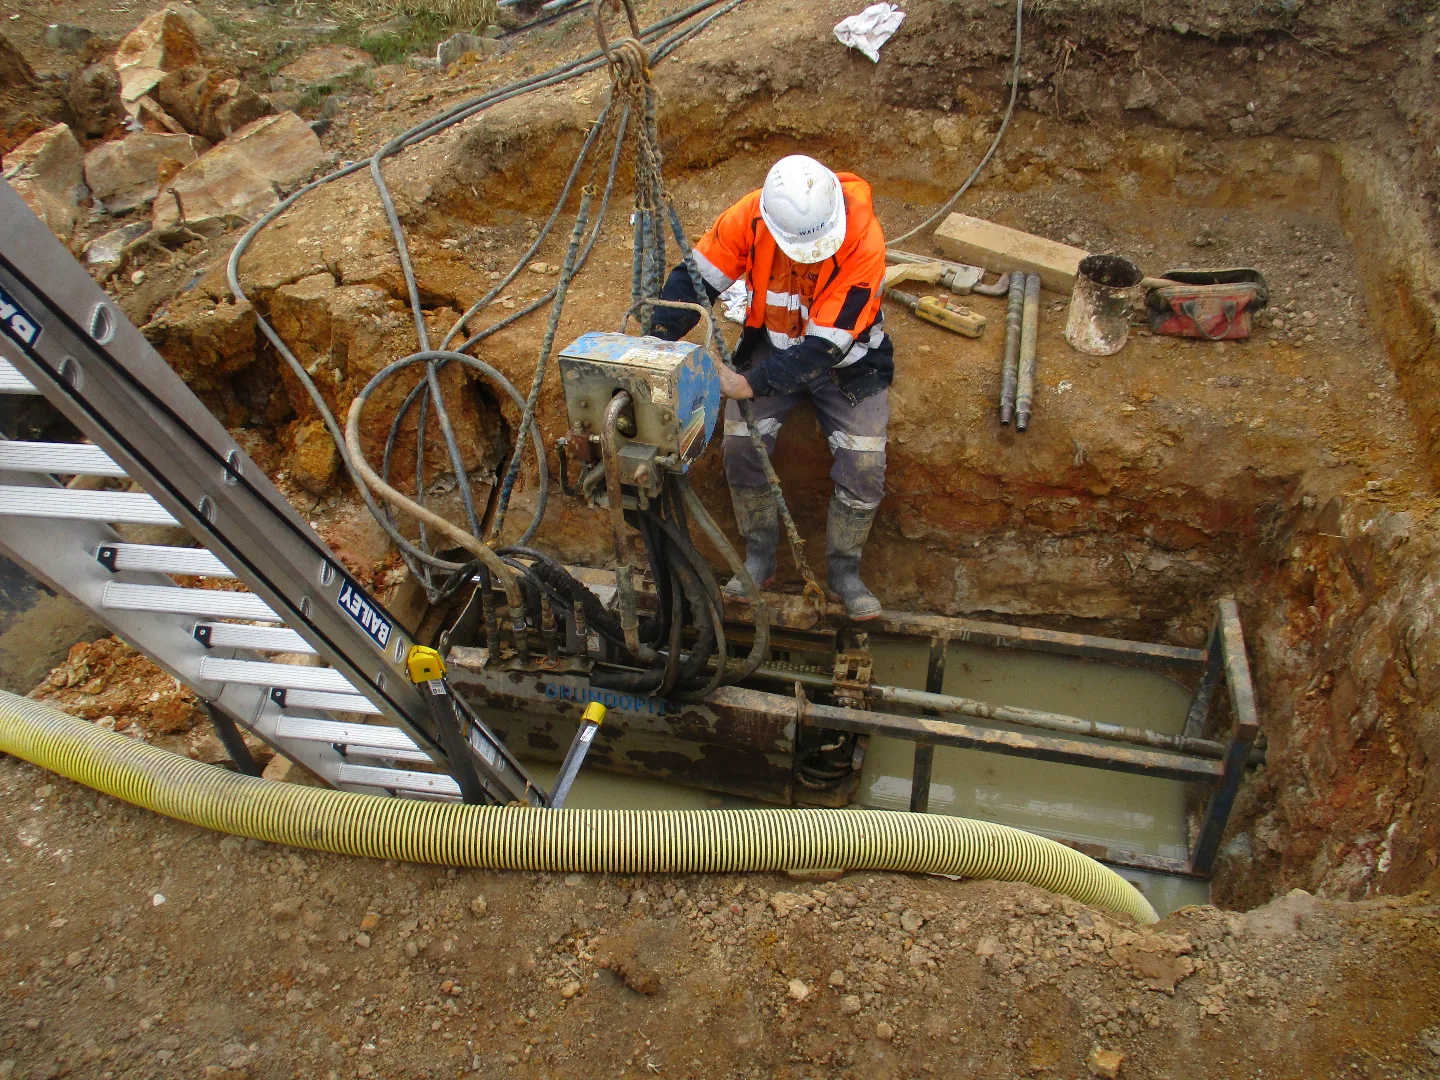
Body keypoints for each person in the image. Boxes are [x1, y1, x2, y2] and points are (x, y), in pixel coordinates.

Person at [648, 154, 892, 620]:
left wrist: (747, 383)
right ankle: (760, 557)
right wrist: (656, 337)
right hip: (773, 343)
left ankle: (844, 572)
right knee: (742, 446)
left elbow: (824, 347)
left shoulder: (864, 238)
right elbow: (694, 281)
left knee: (864, 462)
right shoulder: (751, 216)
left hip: (846, 359)